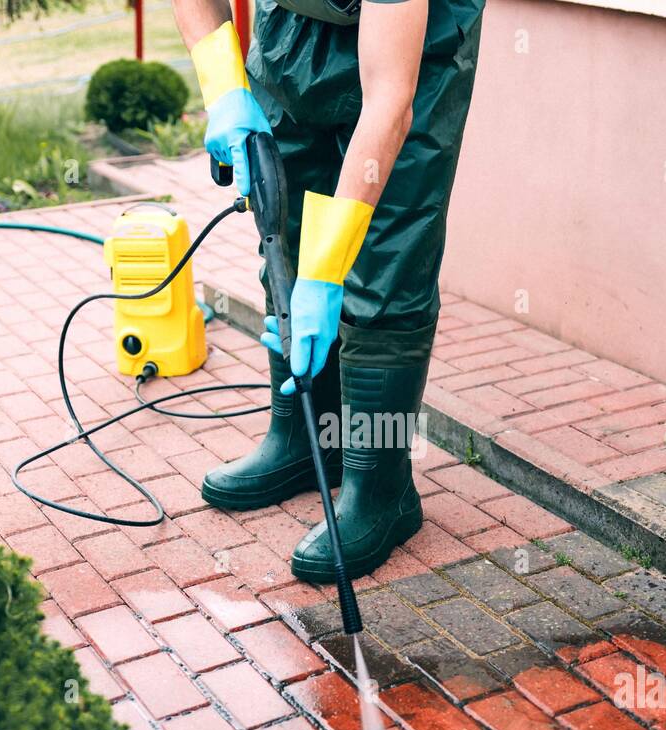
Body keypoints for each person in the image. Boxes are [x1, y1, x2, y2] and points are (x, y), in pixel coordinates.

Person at [173, 0, 484, 581]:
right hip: (294, 24)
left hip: (417, 40)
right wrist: (222, 86)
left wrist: (327, 273)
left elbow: (390, 99)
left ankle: (380, 485)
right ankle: (302, 436)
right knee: (285, 218)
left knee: (388, 252)